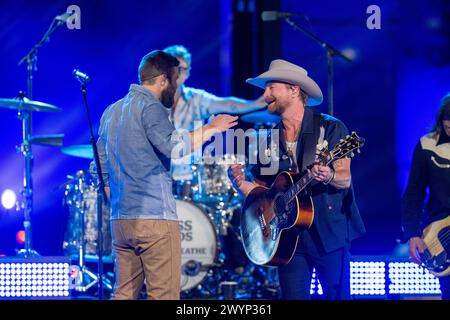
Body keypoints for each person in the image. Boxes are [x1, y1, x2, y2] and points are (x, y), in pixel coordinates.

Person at [93, 50, 238, 300]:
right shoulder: (150, 106)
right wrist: (212, 127)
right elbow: (175, 146)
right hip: (154, 219)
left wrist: (115, 196)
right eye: (174, 79)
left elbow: (101, 163)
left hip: (121, 220)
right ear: (162, 80)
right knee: (163, 296)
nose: (176, 87)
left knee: (123, 294)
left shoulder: (111, 111)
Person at [228, 59, 366, 300]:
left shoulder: (329, 128)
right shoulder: (269, 138)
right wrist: (241, 184)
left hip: (328, 234)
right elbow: (262, 191)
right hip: (288, 240)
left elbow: (344, 179)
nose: (266, 94)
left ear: (294, 89)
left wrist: (329, 174)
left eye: (272, 87)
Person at [163, 45, 266, 181]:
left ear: (188, 73)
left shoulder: (197, 98)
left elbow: (228, 104)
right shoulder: (152, 100)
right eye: (175, 67)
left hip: (188, 176)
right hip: (157, 177)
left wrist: (255, 104)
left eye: (183, 69)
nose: (179, 72)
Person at [401, 92, 450, 300]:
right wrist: (413, 233)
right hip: (441, 236)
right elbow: (414, 192)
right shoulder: (426, 145)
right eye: (448, 125)